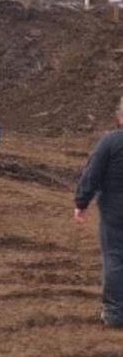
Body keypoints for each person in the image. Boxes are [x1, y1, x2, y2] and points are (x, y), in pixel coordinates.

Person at [75, 98, 123, 328]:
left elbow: (92, 175)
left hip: (115, 212)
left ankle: (114, 314)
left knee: (114, 258)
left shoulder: (110, 142)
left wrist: (81, 203)